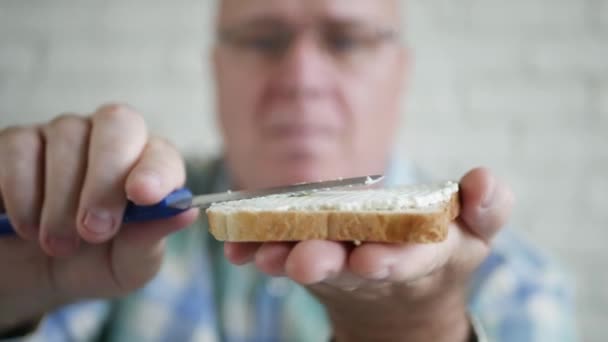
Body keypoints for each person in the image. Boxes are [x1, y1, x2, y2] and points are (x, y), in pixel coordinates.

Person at [0, 0, 577, 341]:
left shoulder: (516, 288)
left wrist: (425, 332)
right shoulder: (108, 228)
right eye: (262, 39)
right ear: (216, 68)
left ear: (400, 74)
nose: (301, 78)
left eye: (346, 40)